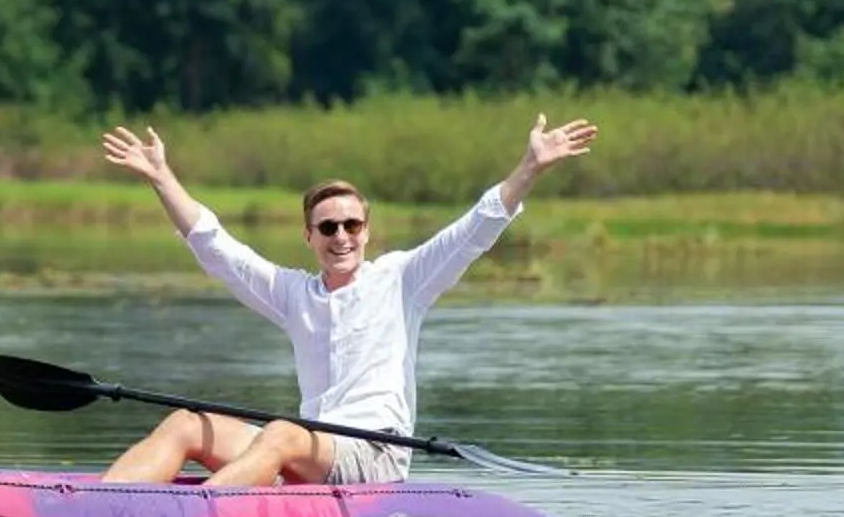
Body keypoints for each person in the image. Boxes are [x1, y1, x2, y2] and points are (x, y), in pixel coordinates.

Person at [97, 114, 598, 487]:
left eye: (352, 225)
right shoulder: (293, 293)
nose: (342, 237)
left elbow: (475, 229)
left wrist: (530, 166)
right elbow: (217, 248)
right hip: (307, 448)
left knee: (281, 432)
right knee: (188, 424)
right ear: (309, 236)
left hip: (375, 456)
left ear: (367, 231)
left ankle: (190, 515)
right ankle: (93, 507)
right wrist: (161, 177)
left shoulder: (403, 279)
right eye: (329, 227)